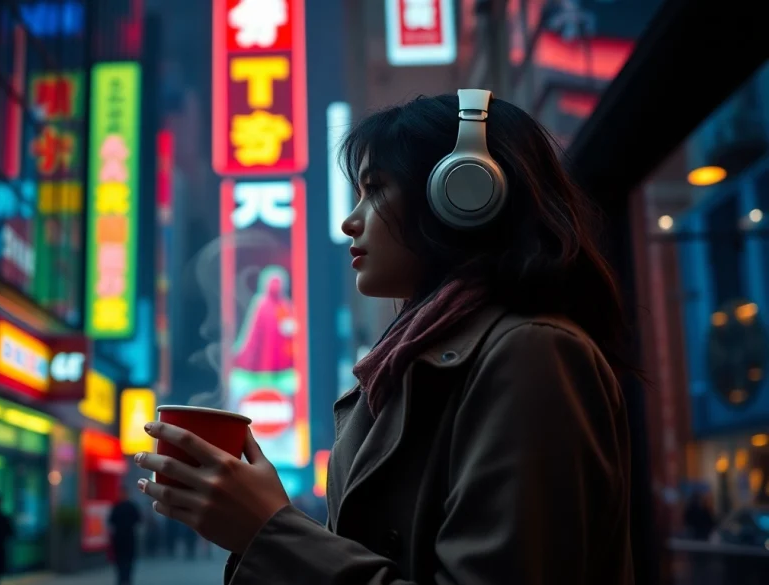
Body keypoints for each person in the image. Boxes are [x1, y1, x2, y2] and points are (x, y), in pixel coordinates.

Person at [132, 91, 636, 584]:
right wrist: (262, 531)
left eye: (374, 189)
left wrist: (269, 532)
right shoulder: (400, 368)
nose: (351, 221)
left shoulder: (531, 353)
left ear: (463, 192)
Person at [107, 485, 142, 585]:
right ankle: (122, 578)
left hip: (127, 538)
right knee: (120, 560)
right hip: (121, 538)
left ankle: (126, 578)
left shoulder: (129, 506)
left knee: (128, 560)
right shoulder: (118, 506)